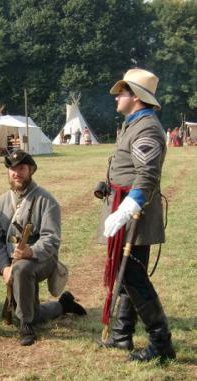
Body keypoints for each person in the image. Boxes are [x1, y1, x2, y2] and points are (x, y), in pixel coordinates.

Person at [97, 68, 175, 362]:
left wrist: (127, 209)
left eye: (122, 91)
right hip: (126, 206)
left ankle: (161, 343)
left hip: (135, 212)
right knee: (128, 273)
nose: (117, 96)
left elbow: (148, 175)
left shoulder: (147, 128)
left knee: (132, 274)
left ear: (136, 97)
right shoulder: (133, 124)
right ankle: (121, 335)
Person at [0, 149, 87, 346]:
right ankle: (62, 306)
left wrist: (30, 251)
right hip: (13, 262)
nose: (17, 173)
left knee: (22, 269)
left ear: (31, 170)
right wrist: (4, 268)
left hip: (42, 259)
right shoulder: (1, 202)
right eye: (12, 169)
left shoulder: (46, 200)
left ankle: (26, 324)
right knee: (31, 305)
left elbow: (51, 238)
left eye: (22, 168)